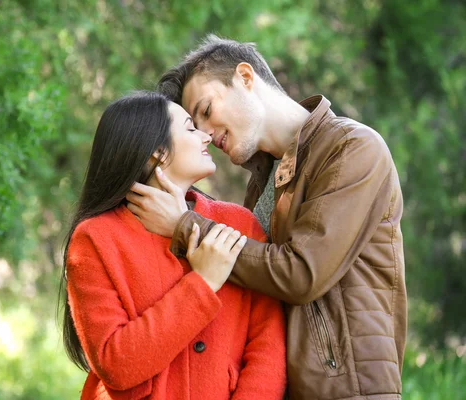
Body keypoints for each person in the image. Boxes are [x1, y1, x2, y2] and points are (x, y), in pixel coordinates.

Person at [126, 36, 407, 400]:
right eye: (195, 126)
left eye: (207, 110)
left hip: (347, 391)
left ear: (245, 77)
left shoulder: (352, 149)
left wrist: (184, 225)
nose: (207, 134)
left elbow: (301, 272)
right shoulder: (264, 182)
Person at [62, 91, 286, 399]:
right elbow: (115, 363)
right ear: (157, 151)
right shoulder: (95, 239)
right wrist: (203, 283)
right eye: (190, 128)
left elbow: (268, 349)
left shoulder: (238, 224)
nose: (206, 136)